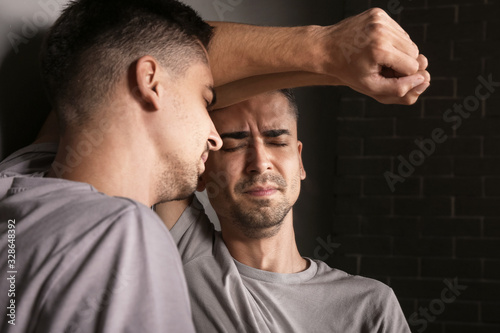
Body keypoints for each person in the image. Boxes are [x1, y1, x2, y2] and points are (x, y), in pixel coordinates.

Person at [0, 0, 428, 331]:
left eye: (276, 139)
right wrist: (327, 48)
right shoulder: (133, 234)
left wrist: (339, 66)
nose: (214, 134)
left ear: (299, 158)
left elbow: (110, 69)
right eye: (208, 102)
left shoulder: (20, 188)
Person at [157, 90, 411, 332]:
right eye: (233, 146)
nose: (260, 163)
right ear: (202, 167)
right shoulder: (186, 257)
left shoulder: (370, 307)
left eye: (277, 142)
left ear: (299, 161)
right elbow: (166, 92)